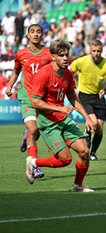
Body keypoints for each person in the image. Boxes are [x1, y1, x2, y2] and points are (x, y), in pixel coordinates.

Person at [27, 39, 96, 192]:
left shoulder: (68, 74)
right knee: (65, 160)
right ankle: (34, 162)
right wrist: (59, 109)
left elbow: (72, 96)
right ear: (53, 57)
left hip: (63, 118)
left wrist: (87, 117)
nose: (66, 58)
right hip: (48, 122)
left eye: (67, 55)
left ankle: (77, 186)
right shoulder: (43, 74)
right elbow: (35, 103)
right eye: (61, 55)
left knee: (84, 151)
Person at [5, 24, 52, 179]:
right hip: (26, 98)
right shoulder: (21, 54)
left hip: (43, 99)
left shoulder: (48, 53)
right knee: (34, 130)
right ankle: (35, 166)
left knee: (35, 131)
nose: (36, 34)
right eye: (32, 32)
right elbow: (16, 70)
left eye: (38, 32)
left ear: (42, 35)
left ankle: (26, 137)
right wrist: (10, 84)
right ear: (28, 35)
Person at [70, 39, 106, 161]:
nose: (96, 53)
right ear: (90, 50)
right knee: (93, 122)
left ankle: (93, 153)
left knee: (99, 129)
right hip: (84, 96)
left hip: (99, 97)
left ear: (102, 50)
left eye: (98, 51)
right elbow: (69, 72)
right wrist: (73, 86)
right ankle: (88, 131)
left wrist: (104, 91)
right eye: (93, 51)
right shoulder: (81, 61)